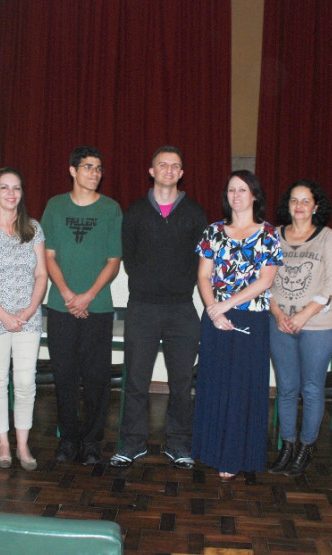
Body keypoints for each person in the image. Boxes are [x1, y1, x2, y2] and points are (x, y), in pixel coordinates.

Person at [110, 146, 207, 470]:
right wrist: (149, 284)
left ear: (181, 174)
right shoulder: (135, 211)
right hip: (143, 308)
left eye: (175, 166)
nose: (168, 170)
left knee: (181, 383)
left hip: (181, 309)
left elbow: (199, 260)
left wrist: (176, 285)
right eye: (162, 165)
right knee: (136, 380)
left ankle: (179, 444)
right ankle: (132, 444)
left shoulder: (195, 213)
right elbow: (130, 256)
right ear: (151, 171)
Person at [194, 169, 281, 482]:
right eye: (232, 190)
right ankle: (211, 451)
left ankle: (236, 455)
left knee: (244, 387)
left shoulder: (268, 233)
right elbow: (203, 276)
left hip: (250, 318)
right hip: (215, 317)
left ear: (254, 195)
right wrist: (213, 311)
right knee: (215, 383)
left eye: (243, 190)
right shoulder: (213, 232)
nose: (236, 195)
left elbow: (266, 279)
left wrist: (226, 305)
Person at [41, 146, 122, 465]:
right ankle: (68, 438)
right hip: (61, 308)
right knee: (63, 376)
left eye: (99, 168)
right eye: (88, 167)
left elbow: (113, 261)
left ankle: (91, 441)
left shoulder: (111, 209)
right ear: (72, 170)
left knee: (96, 378)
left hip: (98, 308)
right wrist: (66, 293)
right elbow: (48, 256)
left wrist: (87, 296)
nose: (95, 173)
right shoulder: (55, 206)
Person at [0, 168, 47, 469]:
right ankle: (3, 443)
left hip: (28, 317)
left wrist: (26, 312)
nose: (11, 193)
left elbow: (41, 274)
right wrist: (3, 315)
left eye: (16, 188)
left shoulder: (33, 228)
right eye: (4, 188)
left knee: (26, 382)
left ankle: (23, 446)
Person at [268, 180, 332, 476]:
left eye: (305, 201)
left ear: (315, 206)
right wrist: (277, 314)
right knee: (286, 389)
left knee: (311, 389)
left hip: (317, 327)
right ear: (287, 205)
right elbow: (263, 280)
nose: (299, 206)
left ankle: (305, 448)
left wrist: (302, 316)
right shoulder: (273, 236)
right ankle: (287, 446)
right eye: (294, 201)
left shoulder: (328, 238)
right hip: (279, 325)